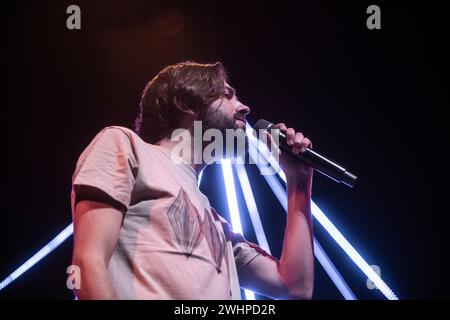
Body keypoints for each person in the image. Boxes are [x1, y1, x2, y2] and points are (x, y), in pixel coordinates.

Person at [70, 61, 314, 300]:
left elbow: (294, 286)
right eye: (227, 95)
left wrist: (298, 182)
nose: (245, 107)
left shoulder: (217, 226)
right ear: (186, 102)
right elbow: (87, 262)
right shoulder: (125, 146)